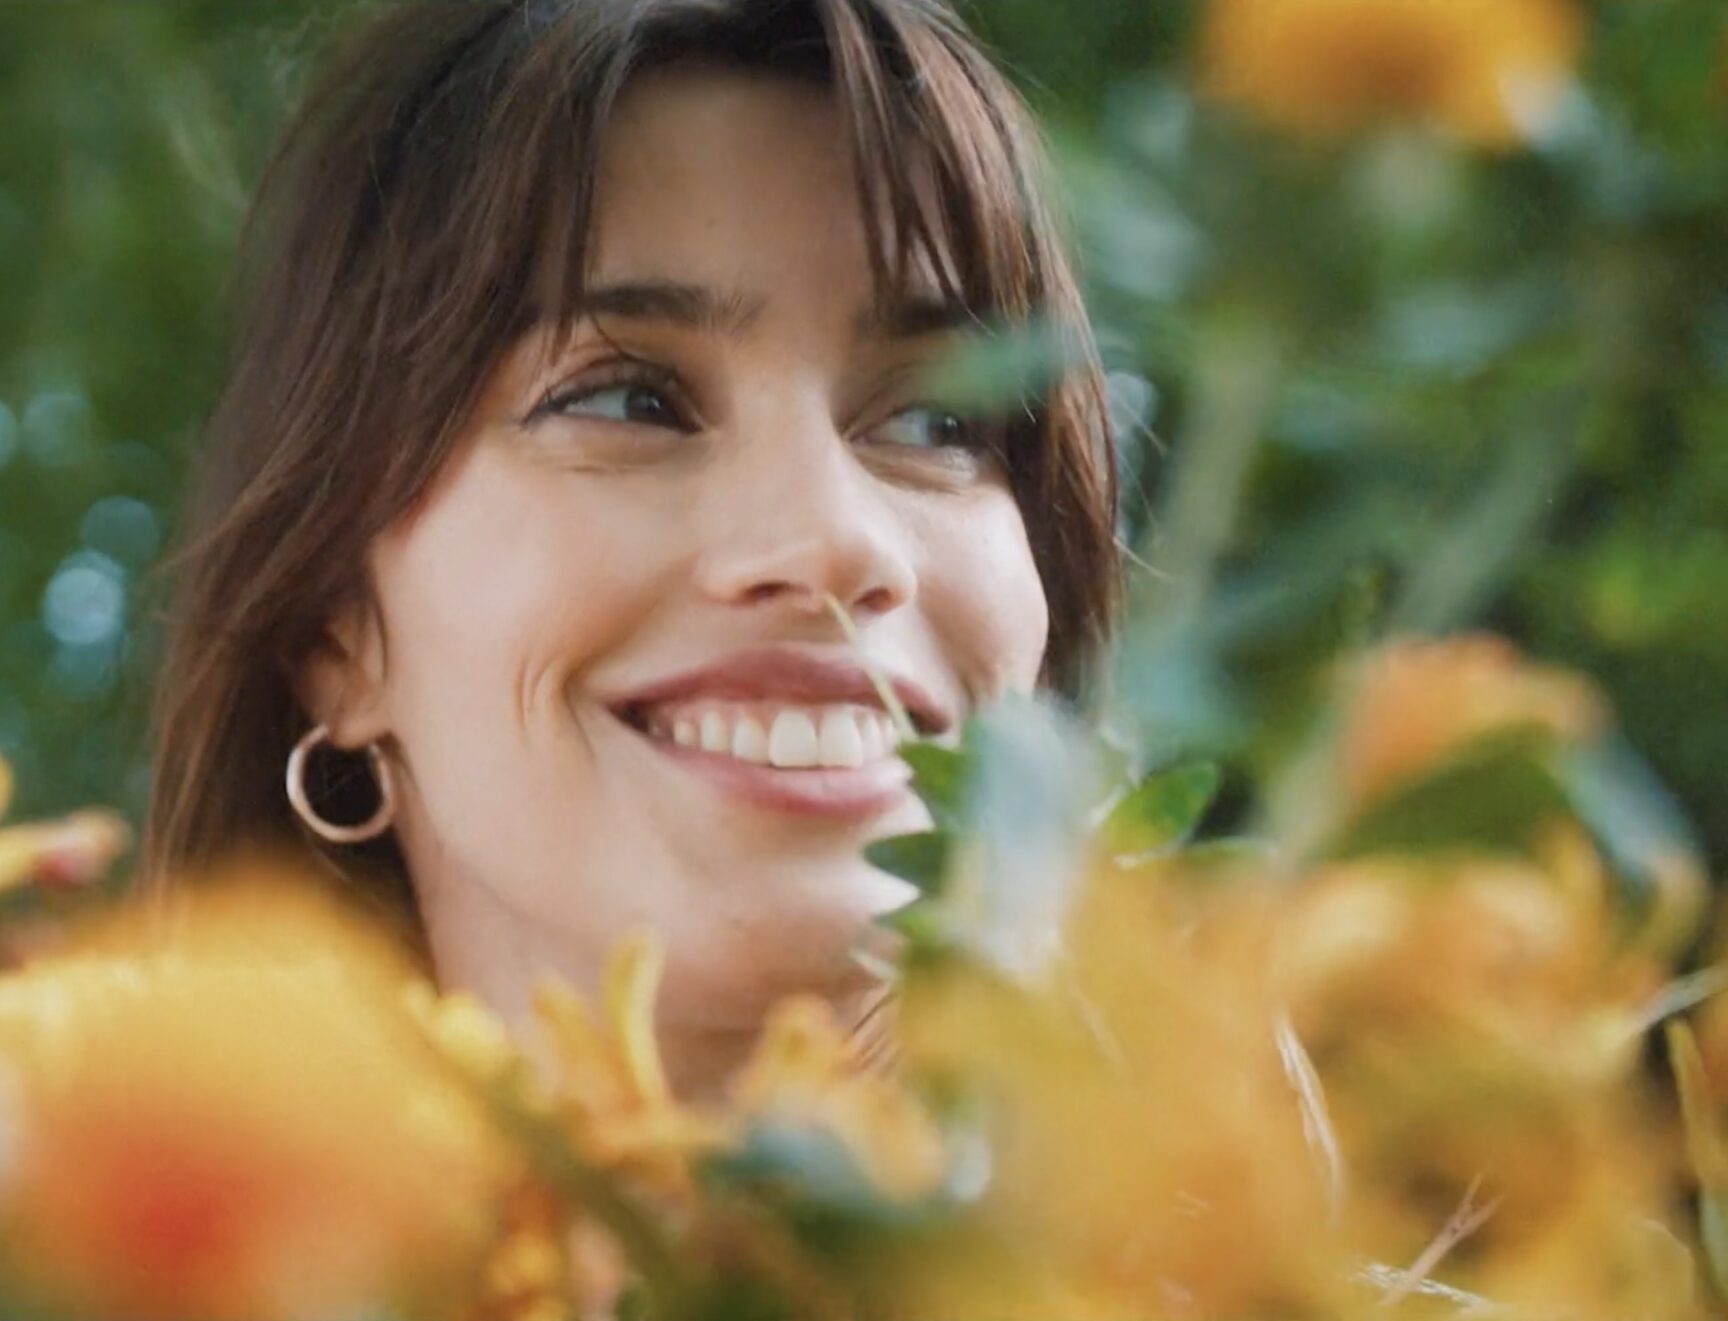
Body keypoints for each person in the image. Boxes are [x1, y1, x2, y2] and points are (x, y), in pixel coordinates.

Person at [148, 0, 1118, 1097]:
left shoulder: (1313, 1264)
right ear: (336, 628)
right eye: (628, 400)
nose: (833, 539)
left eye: (940, 423)